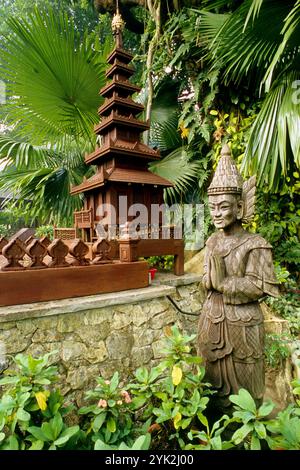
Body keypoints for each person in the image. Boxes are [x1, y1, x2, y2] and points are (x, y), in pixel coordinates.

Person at [197, 144, 279, 410]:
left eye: (223, 207)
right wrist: (209, 282)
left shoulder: (256, 244)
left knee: (246, 385)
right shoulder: (211, 241)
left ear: (240, 206)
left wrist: (225, 284)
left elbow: (259, 285)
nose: (217, 214)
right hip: (212, 319)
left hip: (242, 325)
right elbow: (205, 281)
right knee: (211, 379)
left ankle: (247, 430)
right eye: (212, 208)